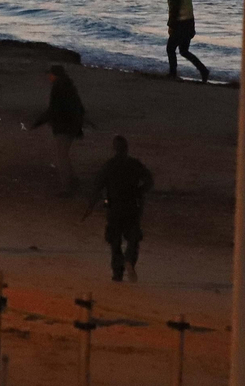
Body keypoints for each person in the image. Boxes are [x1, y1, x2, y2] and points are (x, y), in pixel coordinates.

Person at [84, 135, 154, 283]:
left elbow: (97, 187)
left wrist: (90, 206)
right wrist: (139, 191)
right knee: (133, 238)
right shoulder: (134, 164)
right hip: (132, 206)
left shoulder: (109, 165)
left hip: (114, 207)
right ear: (126, 148)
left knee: (115, 242)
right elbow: (149, 181)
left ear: (114, 149)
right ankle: (129, 259)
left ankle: (117, 273)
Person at [27, 64, 88, 196]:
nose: (49, 76)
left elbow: (53, 109)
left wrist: (38, 122)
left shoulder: (58, 88)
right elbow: (79, 107)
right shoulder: (69, 87)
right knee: (63, 154)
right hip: (71, 126)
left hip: (64, 126)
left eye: (50, 74)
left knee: (61, 157)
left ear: (55, 75)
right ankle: (73, 180)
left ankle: (67, 187)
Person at [162, 0, 209, 82]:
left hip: (180, 25)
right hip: (189, 23)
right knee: (184, 51)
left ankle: (173, 74)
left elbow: (174, 10)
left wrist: (171, 26)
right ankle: (203, 70)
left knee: (170, 49)